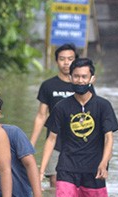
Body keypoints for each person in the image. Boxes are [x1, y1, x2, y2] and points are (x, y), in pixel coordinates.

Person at [40, 58, 118, 197]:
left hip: (94, 170)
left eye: (84, 77)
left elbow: (108, 138)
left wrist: (104, 163)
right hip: (67, 169)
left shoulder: (103, 106)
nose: (80, 80)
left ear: (92, 79)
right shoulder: (61, 107)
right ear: (70, 78)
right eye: (76, 76)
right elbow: (51, 139)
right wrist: (41, 170)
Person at [29, 43, 78, 188]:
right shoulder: (48, 86)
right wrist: (31, 144)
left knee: (78, 183)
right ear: (56, 61)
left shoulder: (82, 85)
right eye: (62, 59)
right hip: (54, 141)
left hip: (78, 142)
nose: (66, 62)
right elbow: (41, 115)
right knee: (55, 182)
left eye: (70, 59)